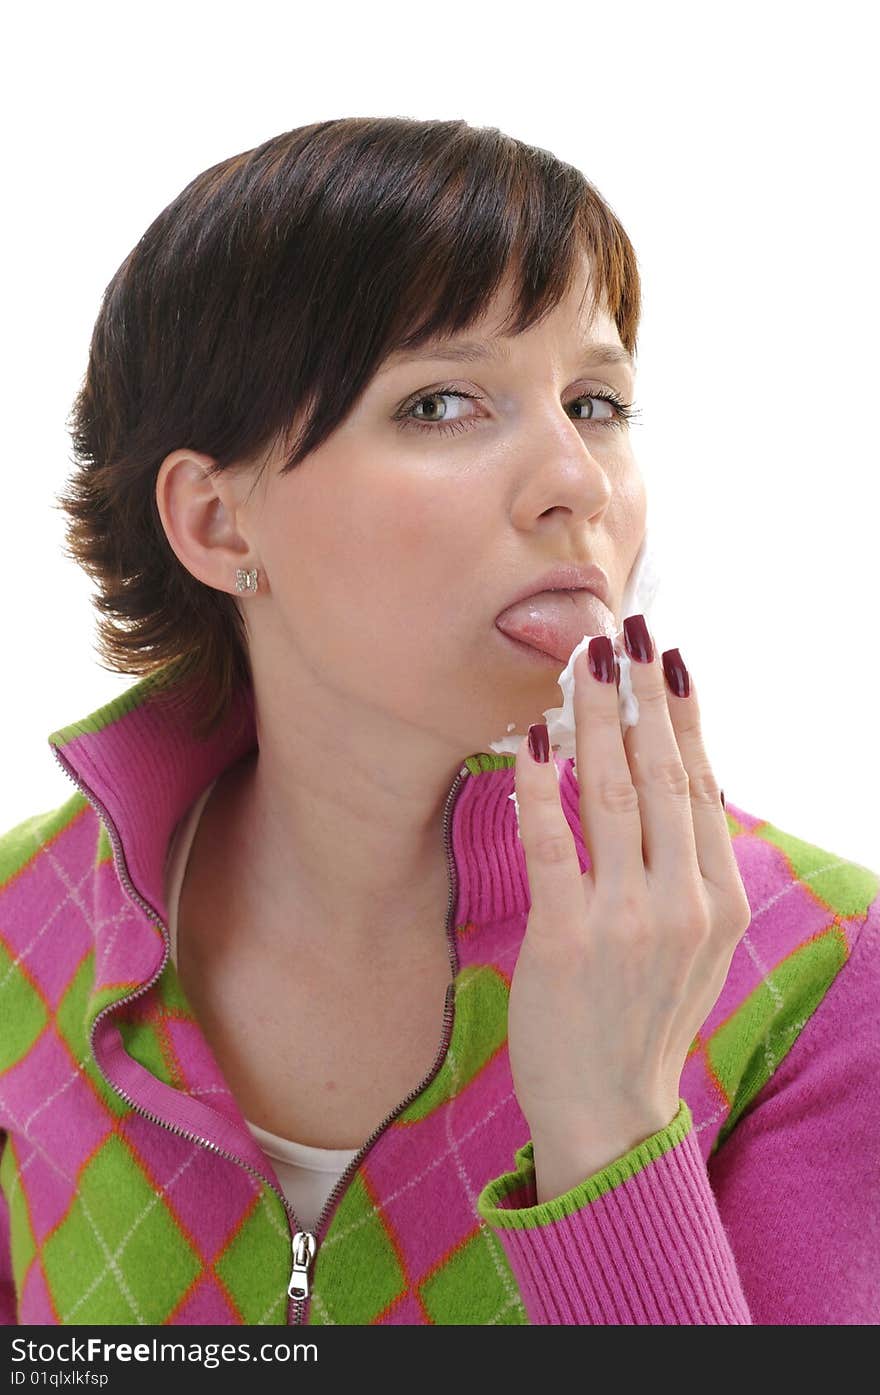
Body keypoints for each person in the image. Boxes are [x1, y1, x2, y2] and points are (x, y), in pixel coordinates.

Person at [1, 116, 878, 1328]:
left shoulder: (822, 971)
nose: (576, 479)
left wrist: (614, 1128)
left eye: (596, 401)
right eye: (442, 404)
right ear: (215, 523)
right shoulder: (21, 922)